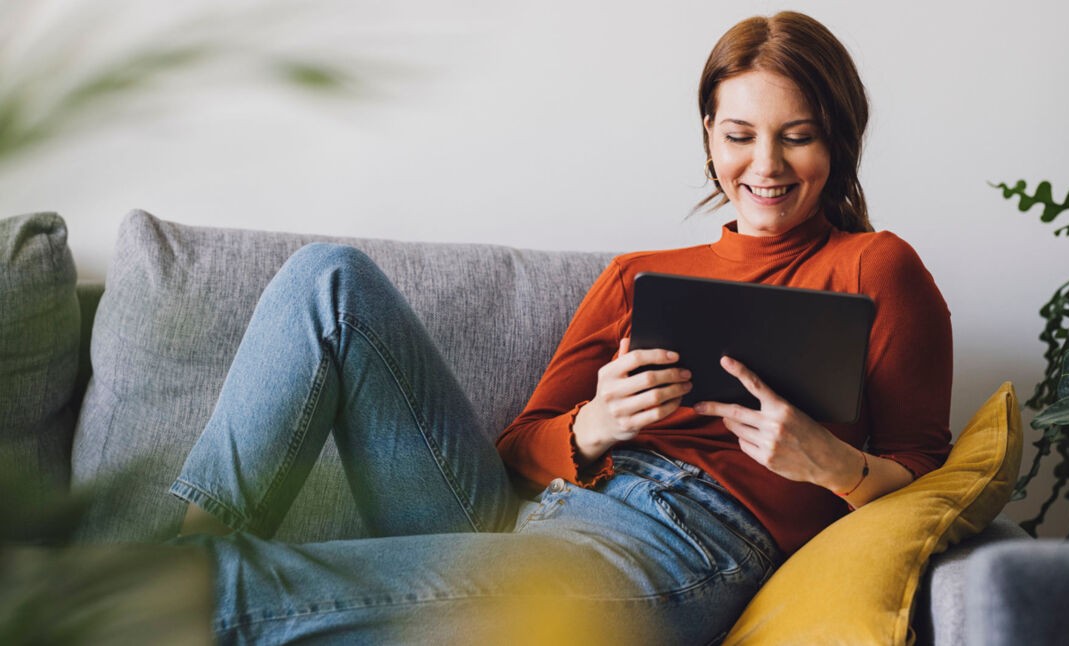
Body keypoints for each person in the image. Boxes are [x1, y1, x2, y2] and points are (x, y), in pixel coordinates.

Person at [170, 10, 952, 645]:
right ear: (710, 135)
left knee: (236, 596)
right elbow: (517, 450)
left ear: (837, 138)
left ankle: (147, 596)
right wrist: (594, 425)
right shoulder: (638, 276)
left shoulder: (876, 268)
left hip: (682, 548)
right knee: (328, 278)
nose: (766, 165)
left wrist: (830, 465)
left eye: (798, 134)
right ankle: (186, 547)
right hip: (526, 523)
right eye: (740, 135)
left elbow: (929, 479)